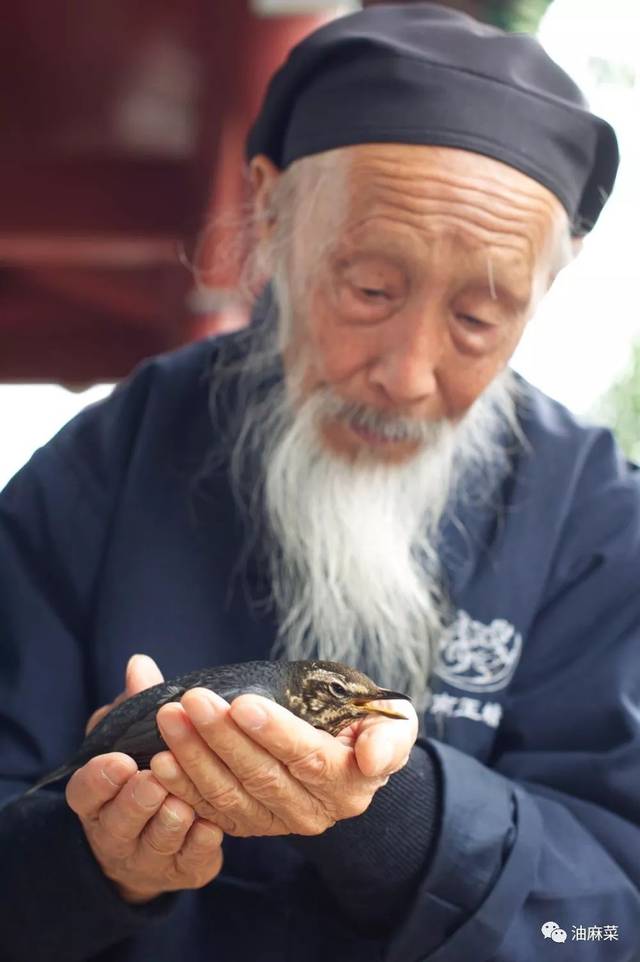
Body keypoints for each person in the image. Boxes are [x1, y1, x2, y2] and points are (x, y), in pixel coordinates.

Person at [1, 4, 638, 961]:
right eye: (370, 289)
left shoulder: (599, 526)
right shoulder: (102, 466)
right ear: (273, 210)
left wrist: (403, 815)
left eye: (478, 317)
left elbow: (606, 923)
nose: (407, 374)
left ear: (550, 285)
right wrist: (92, 860)